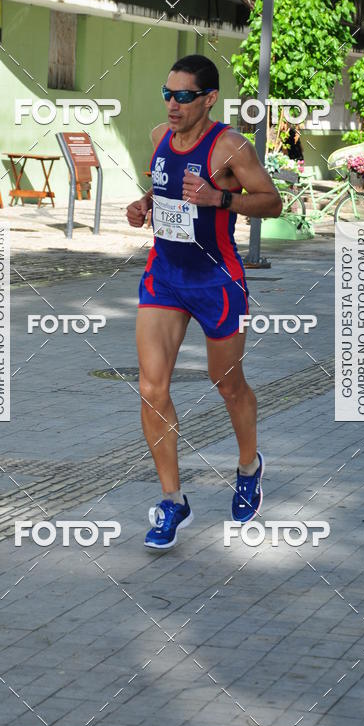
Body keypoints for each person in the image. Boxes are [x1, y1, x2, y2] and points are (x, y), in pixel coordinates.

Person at [126, 55, 282, 550]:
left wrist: (221, 199)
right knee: (151, 388)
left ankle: (249, 467)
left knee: (227, 384)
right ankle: (172, 500)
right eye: (167, 94)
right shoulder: (159, 137)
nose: (172, 105)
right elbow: (163, 187)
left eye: (183, 96)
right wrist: (145, 204)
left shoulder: (230, 147)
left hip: (217, 282)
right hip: (165, 278)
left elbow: (273, 201)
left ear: (209, 98)